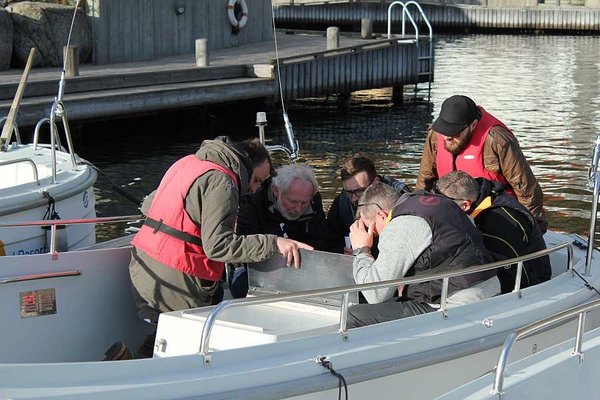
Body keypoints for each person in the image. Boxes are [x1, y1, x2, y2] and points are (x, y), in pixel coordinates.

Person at [128, 137, 312, 356]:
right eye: (255, 180)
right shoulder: (224, 181)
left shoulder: (188, 162)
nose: (253, 189)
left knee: (164, 332)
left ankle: (130, 363)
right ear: (245, 166)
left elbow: (149, 206)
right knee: (190, 346)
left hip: (143, 266)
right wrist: (273, 243)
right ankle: (140, 371)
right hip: (177, 275)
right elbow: (218, 246)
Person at [347, 183, 497, 328]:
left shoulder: (400, 226)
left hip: (455, 306)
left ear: (381, 215)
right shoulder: (442, 204)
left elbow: (375, 295)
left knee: (353, 315)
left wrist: (362, 249)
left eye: (370, 229)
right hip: (490, 292)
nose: (373, 236)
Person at [416, 95, 548, 232]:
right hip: (453, 215)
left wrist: (533, 231)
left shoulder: (498, 139)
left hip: (495, 215)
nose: (447, 137)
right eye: (444, 131)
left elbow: (527, 191)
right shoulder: (435, 135)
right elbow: (425, 180)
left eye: (454, 133)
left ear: (473, 125)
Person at [434, 171, 552, 294]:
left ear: (465, 205)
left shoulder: (496, 223)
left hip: (528, 286)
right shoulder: (484, 193)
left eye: (445, 204)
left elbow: (515, 270)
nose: (438, 208)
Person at [229, 163, 329, 298]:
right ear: (276, 191)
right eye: (292, 201)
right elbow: (246, 247)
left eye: (304, 203)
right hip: (258, 267)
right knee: (240, 283)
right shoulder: (252, 203)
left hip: (301, 265)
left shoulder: (313, 201)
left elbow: (321, 239)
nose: (298, 209)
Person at [327, 153, 410, 254]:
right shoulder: (341, 204)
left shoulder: (399, 198)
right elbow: (331, 243)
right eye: (348, 192)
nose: (353, 198)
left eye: (359, 191)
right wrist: (342, 253)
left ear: (376, 182)